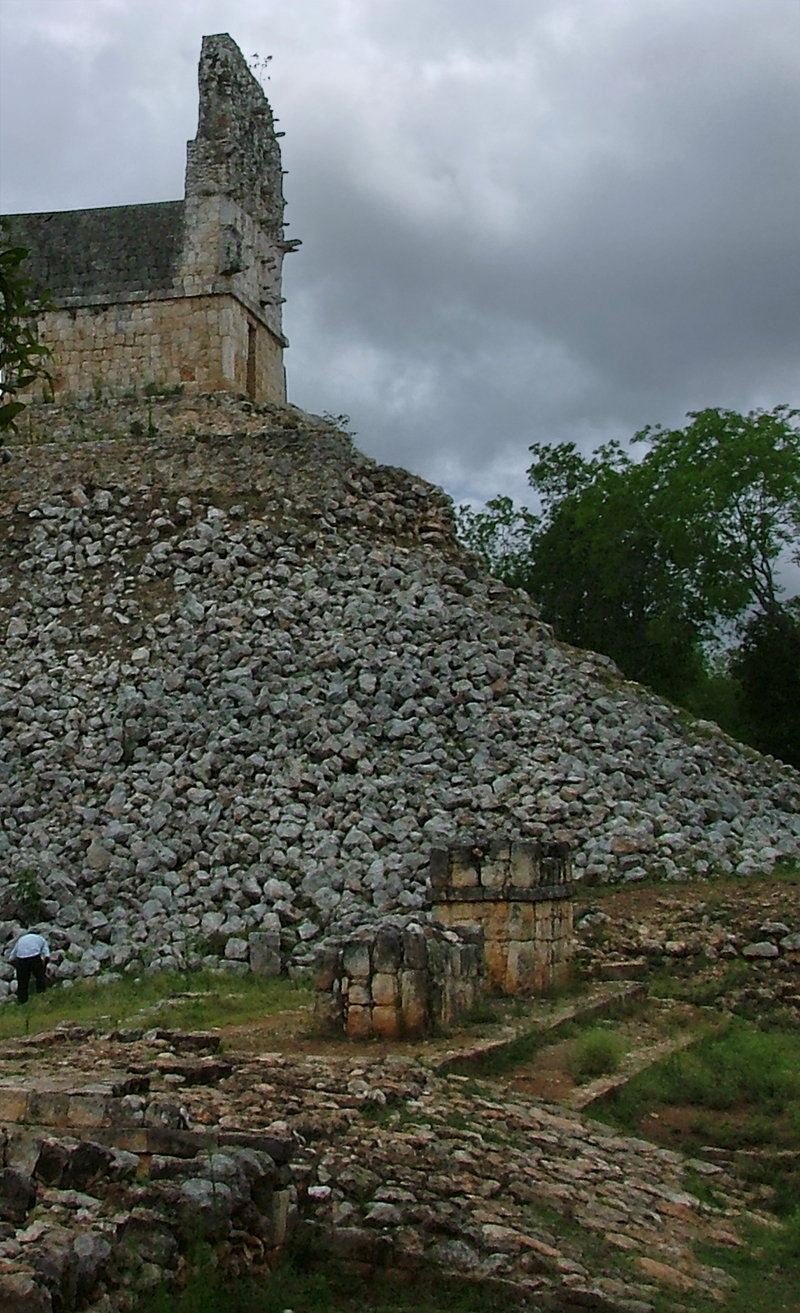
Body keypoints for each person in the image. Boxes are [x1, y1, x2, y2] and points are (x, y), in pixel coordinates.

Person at [9, 931, 50, 1004]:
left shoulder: (21, 939)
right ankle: (41, 993)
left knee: (22, 982)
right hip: (34, 957)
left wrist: (15, 963)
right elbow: (46, 954)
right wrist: (44, 966)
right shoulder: (41, 939)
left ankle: (22, 1000)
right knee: (40, 977)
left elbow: (12, 955)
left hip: (21, 958)